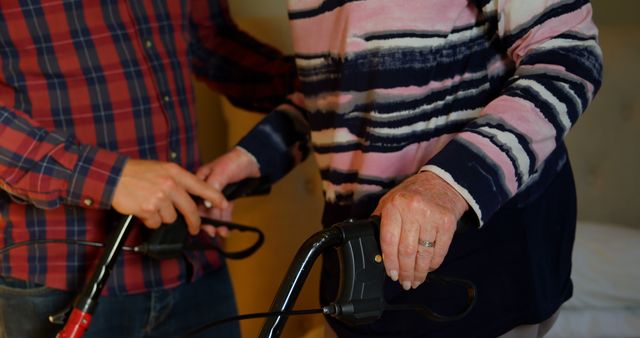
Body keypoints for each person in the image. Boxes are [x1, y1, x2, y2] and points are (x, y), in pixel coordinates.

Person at [200, 0, 604, 337]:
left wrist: (447, 187)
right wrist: (257, 154)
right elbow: (348, 84)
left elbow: (568, 55)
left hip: (481, 247)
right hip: (359, 250)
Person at [0, 1, 296, 337]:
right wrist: (106, 178)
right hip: (62, 274)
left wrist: (331, 86)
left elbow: (209, 40)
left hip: (191, 261)